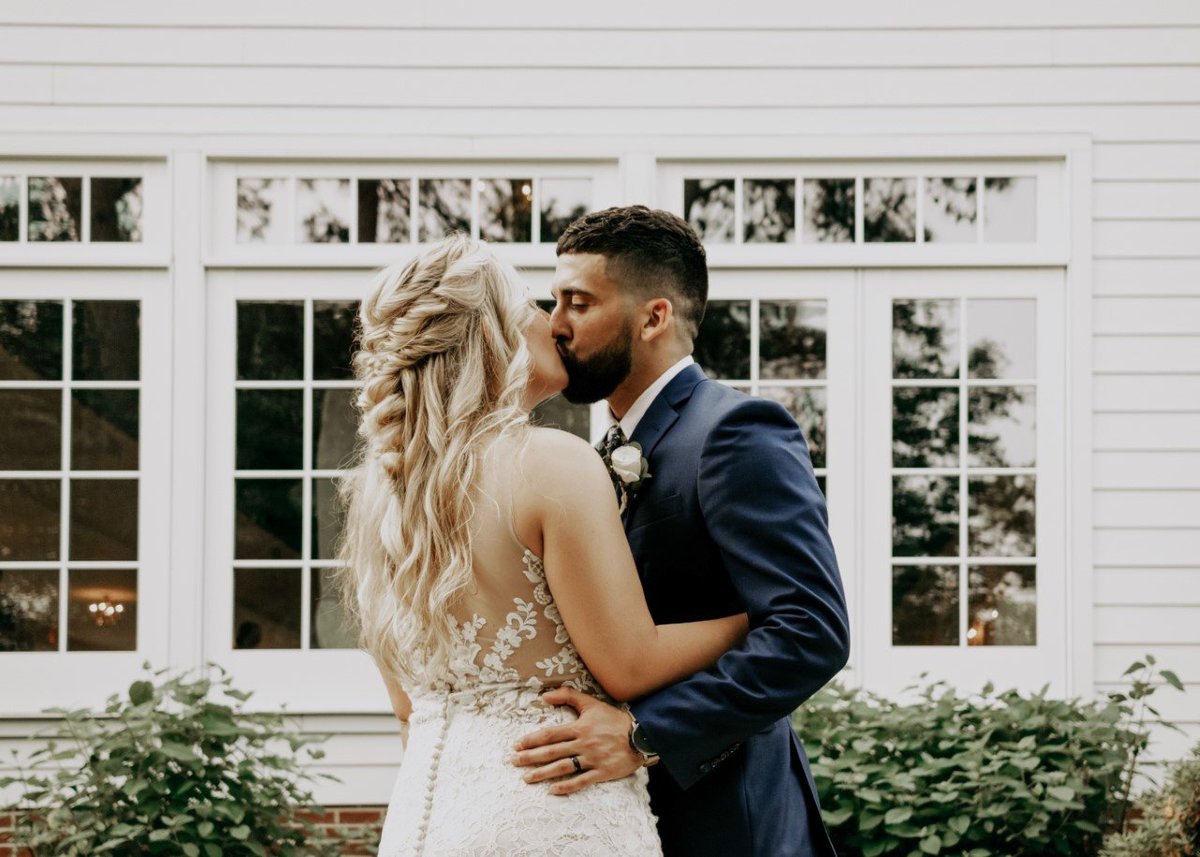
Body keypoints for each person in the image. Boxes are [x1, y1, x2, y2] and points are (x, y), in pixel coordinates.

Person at [336, 234, 749, 856]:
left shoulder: (381, 493)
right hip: (551, 813)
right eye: (533, 306)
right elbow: (630, 663)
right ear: (492, 333)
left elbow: (406, 707)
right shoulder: (550, 462)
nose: (554, 324)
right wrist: (750, 619)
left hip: (427, 818)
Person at [509, 205, 850, 857]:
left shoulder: (735, 432)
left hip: (725, 821)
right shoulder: (583, 450)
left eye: (577, 302)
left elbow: (812, 629)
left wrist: (644, 733)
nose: (555, 325)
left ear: (655, 315)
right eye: (554, 301)